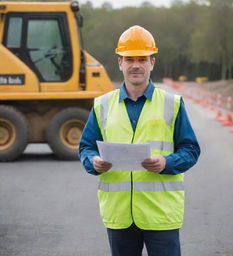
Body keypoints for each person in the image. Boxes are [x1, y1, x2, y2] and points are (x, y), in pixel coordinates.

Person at [79, 25, 200, 256]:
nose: (136, 64)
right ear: (120, 62)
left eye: (142, 59)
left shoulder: (172, 103)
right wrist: (92, 161)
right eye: (129, 58)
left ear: (152, 62)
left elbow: (191, 149)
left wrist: (166, 163)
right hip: (119, 215)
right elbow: (86, 147)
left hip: (161, 214)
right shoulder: (102, 105)